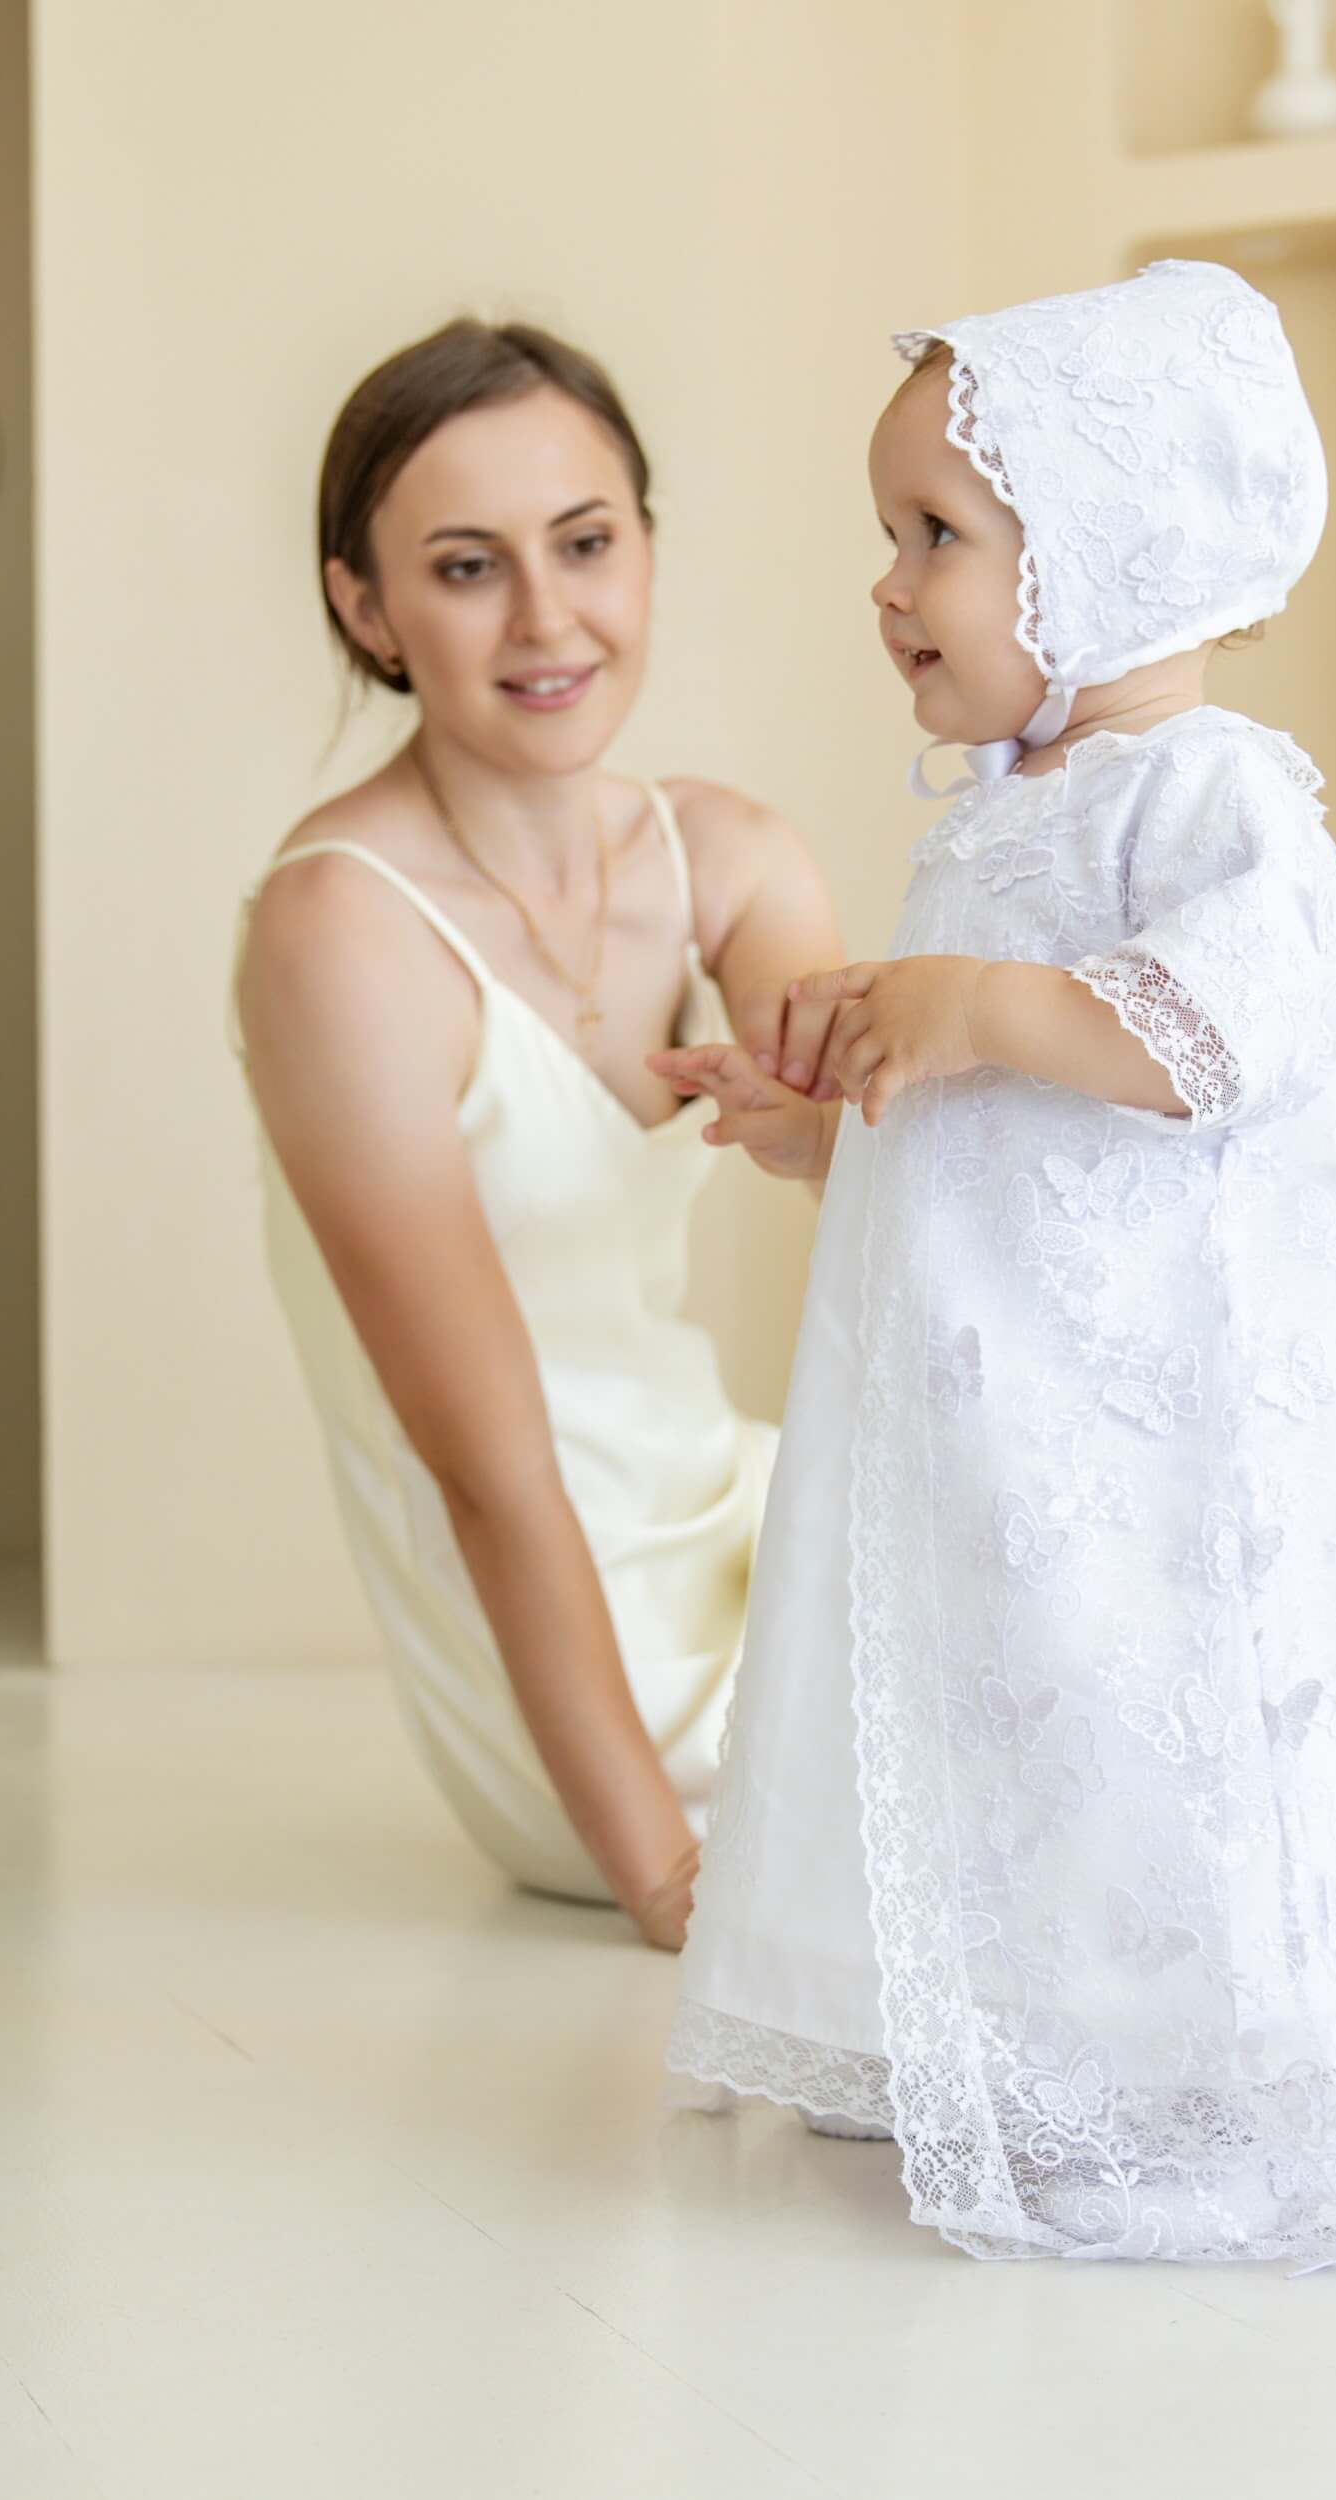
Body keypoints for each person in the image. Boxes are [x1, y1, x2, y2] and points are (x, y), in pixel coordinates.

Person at [652, 262, 1336, 2269]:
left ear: (1111, 555)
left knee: (1132, 1717)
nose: (889, 585)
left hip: (1127, 1431)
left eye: (935, 535)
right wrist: (826, 1107)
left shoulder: (1213, 799)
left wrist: (970, 1002)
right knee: (998, 1718)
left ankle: (1180, 2062)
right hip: (984, 1424)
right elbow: (978, 1106)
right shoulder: (998, 811)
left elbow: (1215, 1034)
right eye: (892, 534)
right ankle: (986, 2034)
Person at [230, 320, 842, 1949]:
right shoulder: (339, 934)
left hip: (722, 1503)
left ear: (645, 544)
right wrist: (661, 1874)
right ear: (368, 607)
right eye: (465, 566)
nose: (548, 618)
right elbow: (486, 1465)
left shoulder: (727, 849)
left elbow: (889, 1157)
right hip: (562, 1656)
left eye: (586, 544)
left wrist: (820, 1118)